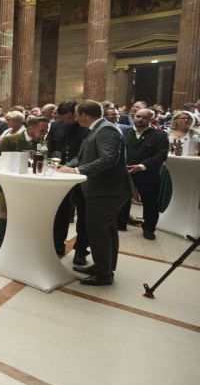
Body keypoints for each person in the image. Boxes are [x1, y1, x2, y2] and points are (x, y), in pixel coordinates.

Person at [57, 100, 133, 286]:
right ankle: (104, 267)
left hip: (108, 190)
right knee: (107, 230)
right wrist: (66, 166)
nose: (75, 119)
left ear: (84, 115)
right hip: (103, 189)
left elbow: (109, 159)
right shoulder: (98, 128)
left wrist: (76, 171)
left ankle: (103, 275)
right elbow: (83, 156)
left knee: (97, 230)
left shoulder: (106, 130)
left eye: (76, 115)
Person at [115, 108, 169, 240]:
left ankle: (149, 228)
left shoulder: (160, 135)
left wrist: (141, 166)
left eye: (145, 117)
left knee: (150, 202)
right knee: (122, 199)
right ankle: (120, 222)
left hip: (148, 173)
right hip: (125, 172)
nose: (140, 119)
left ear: (152, 119)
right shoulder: (123, 132)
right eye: (138, 116)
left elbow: (161, 155)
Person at [47, 100, 90, 261]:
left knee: (83, 212)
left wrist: (73, 167)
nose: (67, 121)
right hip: (60, 173)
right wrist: (52, 163)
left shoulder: (86, 126)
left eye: (70, 118)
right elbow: (51, 145)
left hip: (81, 173)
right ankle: (57, 244)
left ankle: (81, 250)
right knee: (60, 211)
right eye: (64, 118)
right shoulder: (56, 125)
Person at [0, 117, 50, 237]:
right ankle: (3, 238)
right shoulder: (10, 140)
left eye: (46, 130)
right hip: (8, 183)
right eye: (42, 130)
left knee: (26, 213)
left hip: (31, 184)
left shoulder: (43, 142)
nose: (44, 133)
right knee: (5, 213)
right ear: (30, 128)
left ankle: (21, 237)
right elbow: (2, 163)